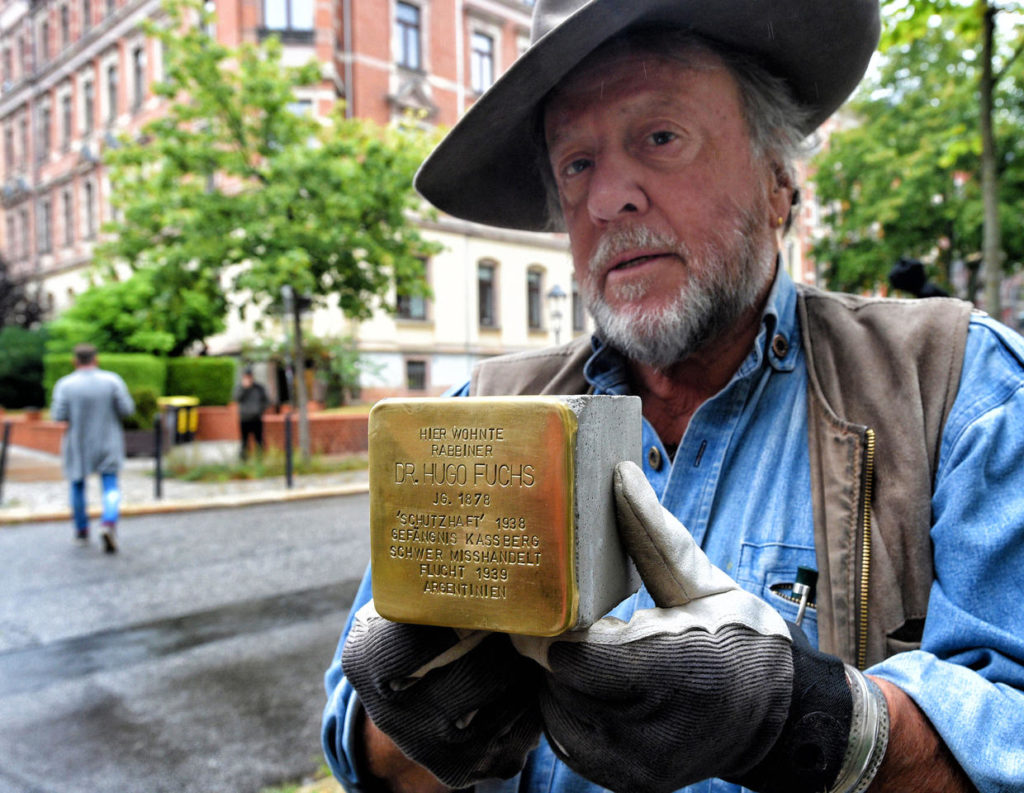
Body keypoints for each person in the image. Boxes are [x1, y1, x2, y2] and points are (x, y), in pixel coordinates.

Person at [323, 1, 1024, 792]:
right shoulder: (477, 411)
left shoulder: (956, 387)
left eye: (660, 137)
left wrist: (818, 723)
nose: (607, 198)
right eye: (575, 163)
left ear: (777, 181)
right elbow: (358, 747)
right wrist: (420, 719)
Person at [51, 343, 135, 553]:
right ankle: (108, 522)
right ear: (96, 359)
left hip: (78, 443)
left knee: (77, 485)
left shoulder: (65, 385)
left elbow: (58, 416)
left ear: (75, 361)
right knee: (110, 484)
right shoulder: (112, 380)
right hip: (108, 440)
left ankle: (81, 530)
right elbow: (127, 409)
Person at [235, 367, 269, 461]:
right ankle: (244, 460)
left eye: (249, 376)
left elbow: (266, 401)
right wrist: (245, 388)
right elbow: (237, 398)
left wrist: (260, 410)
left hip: (256, 418)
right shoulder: (240, 387)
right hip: (244, 418)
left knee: (259, 440)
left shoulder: (259, 388)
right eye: (246, 376)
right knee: (244, 441)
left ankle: (260, 459)